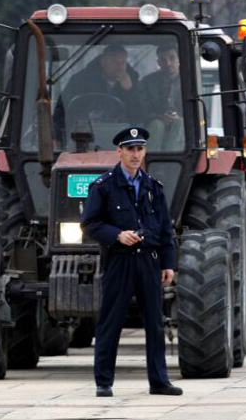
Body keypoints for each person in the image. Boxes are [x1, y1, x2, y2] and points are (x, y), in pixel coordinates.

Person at [81, 127, 181, 398]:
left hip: (149, 261)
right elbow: (90, 224)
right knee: (110, 322)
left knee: (155, 323)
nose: (136, 155)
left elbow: (164, 229)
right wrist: (116, 235)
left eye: (140, 149)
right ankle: (104, 382)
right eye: (130, 149)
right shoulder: (104, 186)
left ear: (144, 151)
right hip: (120, 261)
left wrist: (168, 264)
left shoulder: (153, 187)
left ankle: (159, 381)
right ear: (120, 152)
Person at [54, 44, 145, 146]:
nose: (119, 67)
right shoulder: (80, 80)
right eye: (114, 62)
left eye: (123, 63)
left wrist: (130, 90)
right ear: (103, 62)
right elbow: (63, 109)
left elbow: (140, 116)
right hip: (85, 136)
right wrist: (57, 137)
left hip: (121, 137)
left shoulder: (134, 82)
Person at [140, 44, 184, 150]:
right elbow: (141, 109)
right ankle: (150, 162)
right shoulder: (148, 82)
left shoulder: (191, 81)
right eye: (163, 60)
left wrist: (180, 117)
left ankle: (173, 163)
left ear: (179, 59)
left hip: (184, 127)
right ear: (158, 63)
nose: (168, 63)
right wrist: (160, 117)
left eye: (172, 58)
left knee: (179, 123)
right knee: (156, 125)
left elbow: (199, 111)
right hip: (155, 123)